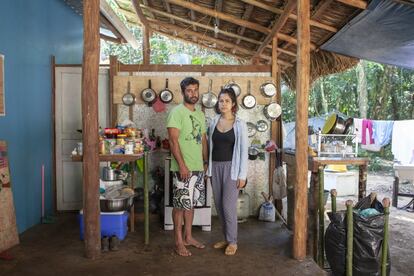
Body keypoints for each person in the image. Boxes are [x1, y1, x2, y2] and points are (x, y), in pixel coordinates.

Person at [166, 77, 208, 257]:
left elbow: (204, 140)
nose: (193, 94)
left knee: (190, 205)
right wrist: (182, 165)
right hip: (183, 168)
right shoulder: (176, 112)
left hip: (198, 167)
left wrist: (205, 162)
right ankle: (177, 242)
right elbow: (173, 141)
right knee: (180, 205)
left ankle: (188, 237)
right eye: (189, 90)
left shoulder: (200, 113)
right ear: (183, 92)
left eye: (195, 90)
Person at [207, 87, 248, 256]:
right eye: (221, 101)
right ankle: (226, 237)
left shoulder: (240, 124)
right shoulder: (213, 121)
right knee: (219, 206)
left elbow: (244, 151)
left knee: (228, 206)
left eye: (227, 101)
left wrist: (242, 175)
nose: (223, 104)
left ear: (233, 104)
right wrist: (208, 168)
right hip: (214, 167)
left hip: (232, 169)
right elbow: (209, 147)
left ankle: (233, 242)